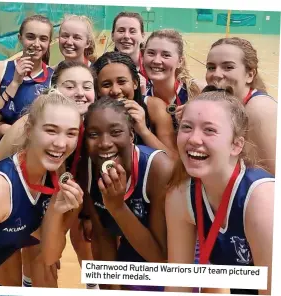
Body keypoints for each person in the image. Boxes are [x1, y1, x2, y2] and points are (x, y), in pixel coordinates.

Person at [0, 60, 98, 289]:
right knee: (8, 278)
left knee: (47, 266)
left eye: (87, 86)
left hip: (48, 206)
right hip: (9, 214)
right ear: (53, 90)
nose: (80, 93)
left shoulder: (91, 126)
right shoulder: (26, 128)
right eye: (70, 86)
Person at [41, 97, 174, 292]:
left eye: (115, 132)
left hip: (174, 259)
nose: (104, 143)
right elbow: (103, 238)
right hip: (135, 245)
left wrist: (117, 207)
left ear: (131, 134)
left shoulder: (159, 170)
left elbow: (160, 258)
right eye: (94, 134)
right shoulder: (87, 169)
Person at [165, 86, 274, 295]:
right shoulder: (180, 195)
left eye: (209, 130)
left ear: (236, 145)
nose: (194, 139)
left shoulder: (262, 199)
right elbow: (178, 284)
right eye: (186, 127)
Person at [0, 89, 82, 286]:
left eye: (71, 133)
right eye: (51, 130)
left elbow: (49, 257)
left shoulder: (53, 177)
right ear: (29, 130)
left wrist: (56, 212)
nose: (61, 143)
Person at [0, 15, 54, 166]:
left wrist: (6, 130)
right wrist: (15, 82)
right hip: (0, 154)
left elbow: (50, 129)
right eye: (30, 37)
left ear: (49, 42)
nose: (36, 44)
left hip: (33, 156)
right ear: (20, 38)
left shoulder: (53, 77)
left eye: (43, 39)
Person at [205, 37, 277, 176]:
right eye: (211, 67)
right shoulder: (232, 103)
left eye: (228, 67)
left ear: (250, 75)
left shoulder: (259, 110)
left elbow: (273, 179)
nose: (216, 74)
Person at [92, 51, 178, 159]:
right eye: (106, 84)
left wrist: (143, 130)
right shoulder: (92, 116)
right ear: (98, 90)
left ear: (135, 83)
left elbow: (174, 162)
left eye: (122, 82)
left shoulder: (154, 107)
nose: (115, 90)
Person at [143, 29, 204, 132]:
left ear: (180, 61)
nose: (156, 61)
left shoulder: (199, 91)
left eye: (166, 55)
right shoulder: (142, 96)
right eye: (151, 53)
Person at [111, 12, 147, 93]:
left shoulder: (152, 68)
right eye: (121, 31)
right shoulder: (103, 67)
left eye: (132, 31)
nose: (126, 36)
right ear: (112, 36)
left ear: (143, 36)